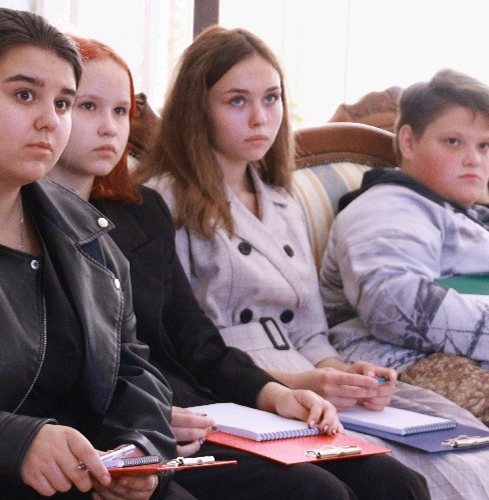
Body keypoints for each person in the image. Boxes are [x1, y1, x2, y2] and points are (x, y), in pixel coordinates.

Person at [49, 33, 430, 500]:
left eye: (121, 110)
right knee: (314, 492)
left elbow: (195, 338)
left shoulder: (140, 211)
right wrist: (144, 416)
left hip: (208, 402)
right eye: (86, 106)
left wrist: (278, 393)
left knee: (397, 482)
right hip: (143, 417)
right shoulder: (41, 219)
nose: (110, 127)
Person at [131, 26, 489, 499]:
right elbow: (186, 345)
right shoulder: (163, 200)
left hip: (307, 377)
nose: (260, 118)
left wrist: (345, 376)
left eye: (272, 98)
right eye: (237, 101)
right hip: (237, 385)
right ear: (198, 109)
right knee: (398, 477)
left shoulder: (282, 200)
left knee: (464, 448)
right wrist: (302, 383)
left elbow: (309, 328)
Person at [0, 7, 183, 500]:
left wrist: (140, 451)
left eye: (63, 103)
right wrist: (14, 441)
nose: (49, 120)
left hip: (86, 476)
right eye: (24, 94)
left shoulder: (85, 231)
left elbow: (131, 368)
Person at [319, 68, 489, 426]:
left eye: (484, 146)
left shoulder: (465, 212)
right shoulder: (387, 208)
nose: (474, 159)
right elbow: (394, 306)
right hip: (396, 364)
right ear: (409, 143)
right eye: (453, 142)